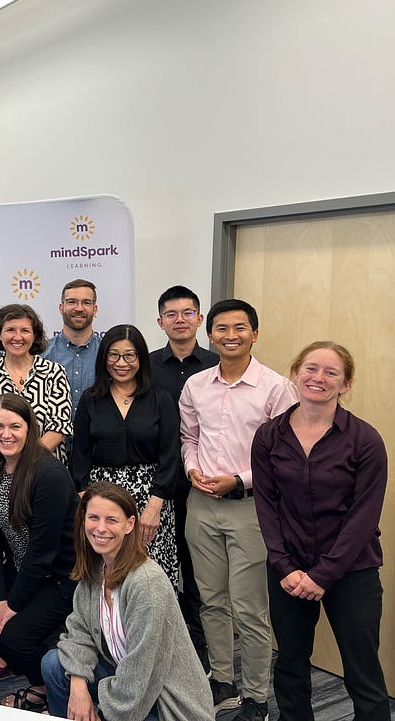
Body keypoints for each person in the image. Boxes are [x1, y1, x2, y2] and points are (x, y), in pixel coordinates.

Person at [252, 342, 390, 721]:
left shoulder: (365, 440)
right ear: (295, 372)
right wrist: (285, 566)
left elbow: (364, 516)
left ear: (345, 384)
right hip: (289, 570)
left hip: (352, 571)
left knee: (363, 673)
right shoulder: (268, 436)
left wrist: (323, 575)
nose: (319, 378)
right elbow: (266, 506)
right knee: (291, 664)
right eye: (311, 369)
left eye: (331, 373)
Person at [179, 298, 297, 721]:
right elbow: (188, 437)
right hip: (201, 503)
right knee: (210, 601)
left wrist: (238, 480)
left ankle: (256, 697)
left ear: (255, 334)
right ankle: (223, 681)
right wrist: (192, 470)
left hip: (251, 507)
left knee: (249, 607)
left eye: (239, 328)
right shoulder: (195, 385)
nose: (230, 336)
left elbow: (284, 455)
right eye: (222, 329)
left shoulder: (276, 388)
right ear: (210, 334)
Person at [42, 482, 214, 721]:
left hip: (163, 700)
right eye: (93, 517)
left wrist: (103, 714)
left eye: (111, 520)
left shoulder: (146, 582)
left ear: (129, 524)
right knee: (53, 664)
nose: (100, 528)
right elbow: (79, 630)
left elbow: (140, 672)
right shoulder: (96, 568)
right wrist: (78, 685)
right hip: (127, 679)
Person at [0, 303, 72, 634]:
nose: (17, 336)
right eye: (10, 330)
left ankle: (36, 619)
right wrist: (3, 466)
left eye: (25, 330)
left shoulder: (54, 372)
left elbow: (60, 425)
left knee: (39, 547)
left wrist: (25, 464)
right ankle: (1, 613)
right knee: (1, 545)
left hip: (42, 476)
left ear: (36, 335)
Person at [0, 393, 77, 713]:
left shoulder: (48, 473)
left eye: (15, 426)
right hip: (25, 570)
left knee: (14, 637)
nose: (6, 434)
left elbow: (43, 551)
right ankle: (42, 684)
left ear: (30, 429)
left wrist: (13, 604)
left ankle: (51, 687)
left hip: (61, 577)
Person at [71, 324, 180, 589]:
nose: (122, 363)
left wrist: (155, 507)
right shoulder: (91, 399)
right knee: (104, 572)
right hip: (102, 496)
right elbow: (80, 454)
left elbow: (170, 455)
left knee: (148, 578)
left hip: (150, 498)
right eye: (114, 355)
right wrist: (85, 500)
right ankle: (105, 629)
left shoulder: (160, 399)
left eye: (130, 355)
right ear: (104, 358)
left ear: (141, 358)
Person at [148, 285, 218, 670]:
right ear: (160, 322)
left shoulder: (216, 363)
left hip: (202, 481)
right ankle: (159, 640)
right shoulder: (147, 365)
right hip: (157, 481)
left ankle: (199, 646)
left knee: (196, 569)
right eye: (171, 315)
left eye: (187, 313)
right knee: (158, 565)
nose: (180, 320)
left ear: (199, 319)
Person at [42, 279, 103, 417]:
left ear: (95, 309)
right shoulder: (41, 354)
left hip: (96, 438)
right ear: (61, 307)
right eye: (72, 302)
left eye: (86, 302)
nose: (79, 308)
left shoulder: (107, 354)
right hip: (52, 438)